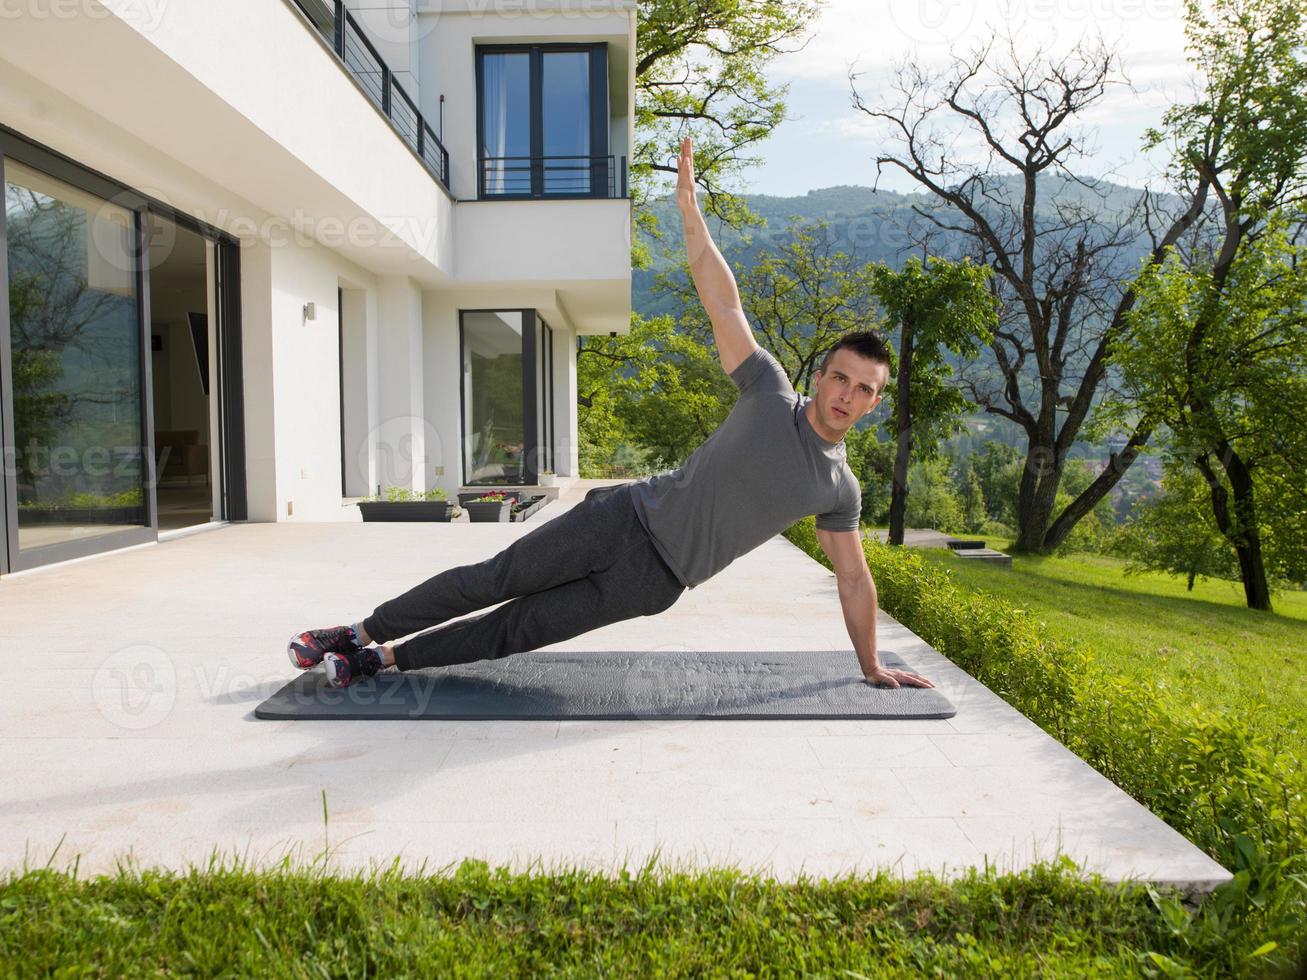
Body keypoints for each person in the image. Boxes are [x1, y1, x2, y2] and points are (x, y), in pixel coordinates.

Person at [287, 136, 934, 693]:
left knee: (517, 629)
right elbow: (724, 303)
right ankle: (356, 630)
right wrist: (689, 217)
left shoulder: (836, 488)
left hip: (653, 583)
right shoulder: (767, 389)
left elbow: (853, 579)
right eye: (839, 378)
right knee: (490, 580)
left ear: (874, 404)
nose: (846, 395)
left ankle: (382, 660)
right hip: (621, 519)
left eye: (863, 389)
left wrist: (871, 664)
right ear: (819, 376)